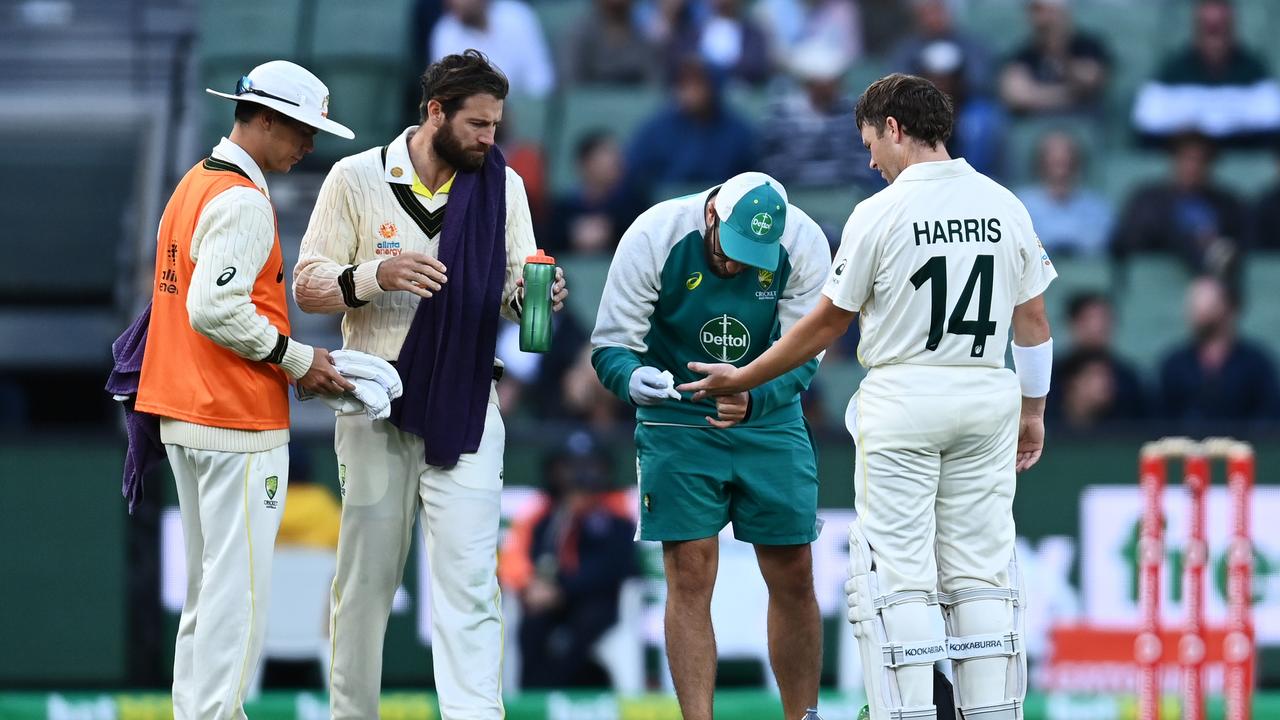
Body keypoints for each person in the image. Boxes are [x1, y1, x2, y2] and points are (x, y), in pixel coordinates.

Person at [681, 73, 1057, 720]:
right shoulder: (1005, 205)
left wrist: (745, 376)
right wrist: (1034, 409)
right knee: (982, 572)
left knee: (898, 574)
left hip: (904, 396)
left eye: (869, 143)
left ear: (894, 128)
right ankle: (994, 712)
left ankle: (907, 713)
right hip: (987, 395)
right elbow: (1034, 322)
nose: (868, 161)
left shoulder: (879, 213)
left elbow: (829, 322)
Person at [292, 50, 568, 720]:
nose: (489, 139)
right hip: (372, 404)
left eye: (496, 125)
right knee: (364, 584)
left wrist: (537, 297)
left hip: (469, 403)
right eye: (477, 124)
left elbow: (511, 287)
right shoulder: (355, 177)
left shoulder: (500, 186)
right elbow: (306, 284)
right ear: (435, 112)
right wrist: (372, 277)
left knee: (471, 583)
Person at [132, 60, 354, 719]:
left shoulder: (193, 184)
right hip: (233, 420)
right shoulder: (243, 201)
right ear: (262, 119)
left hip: (184, 409)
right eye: (300, 129)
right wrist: (297, 358)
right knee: (239, 594)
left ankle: (198, 713)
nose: (308, 145)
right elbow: (212, 307)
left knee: (209, 591)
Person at [591, 171, 832, 720]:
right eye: (732, 249)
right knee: (690, 573)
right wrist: (632, 379)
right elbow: (611, 344)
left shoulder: (804, 241)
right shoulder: (654, 235)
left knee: (794, 568)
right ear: (711, 216)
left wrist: (756, 396)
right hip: (676, 415)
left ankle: (804, 716)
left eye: (755, 255)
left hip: (767, 417)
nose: (740, 265)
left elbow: (808, 349)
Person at [498, 431, 638, 689]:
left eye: (590, 467)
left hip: (596, 602)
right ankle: (531, 703)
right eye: (570, 468)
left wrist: (563, 589)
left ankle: (560, 695)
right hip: (552, 602)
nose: (580, 477)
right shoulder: (544, 516)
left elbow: (617, 567)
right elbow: (532, 559)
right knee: (532, 626)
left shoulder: (615, 517)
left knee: (586, 623)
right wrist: (534, 585)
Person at [1132, 0, 1280, 148]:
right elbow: (1147, 125)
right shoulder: (1172, 72)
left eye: (1221, 28)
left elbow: (1271, 124)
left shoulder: (1254, 71)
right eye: (1209, 29)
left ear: (1233, 27)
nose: (1215, 37)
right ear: (1195, 28)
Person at [1110, 131, 1247, 277]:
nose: (1193, 167)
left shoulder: (1228, 204)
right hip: (1155, 278)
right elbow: (1127, 242)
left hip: (1215, 285)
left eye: (1201, 160)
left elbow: (1244, 243)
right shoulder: (1148, 200)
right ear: (1173, 160)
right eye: (1187, 159)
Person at [1158, 275, 1280, 426]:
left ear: (1228, 308)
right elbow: (1159, 422)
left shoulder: (1257, 364)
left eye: (1207, 306)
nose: (1197, 314)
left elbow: (1268, 420)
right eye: (1193, 306)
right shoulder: (1174, 365)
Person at [998, 0, 1110, 116]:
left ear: (1063, 14)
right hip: (1035, 125)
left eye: (1048, 12)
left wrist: (1059, 52)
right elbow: (1016, 96)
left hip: (1081, 122)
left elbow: (1089, 80)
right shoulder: (1023, 54)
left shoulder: (1088, 47)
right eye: (1036, 11)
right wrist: (1074, 96)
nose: (1042, 20)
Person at [428, 0, 556, 98]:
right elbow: (448, 94)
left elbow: (540, 81)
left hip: (525, 116)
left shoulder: (517, 16)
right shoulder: (445, 33)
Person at [1015, 130, 1113, 257]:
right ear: (1040, 162)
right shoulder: (1019, 205)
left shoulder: (1098, 208)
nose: (1060, 162)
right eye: (1053, 159)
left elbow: (1098, 246)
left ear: (1077, 162)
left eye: (1065, 158)